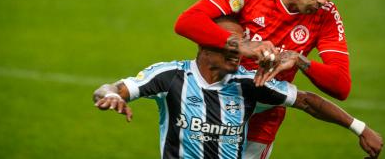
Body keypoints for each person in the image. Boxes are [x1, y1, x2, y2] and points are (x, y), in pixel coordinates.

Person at [93, 17, 382, 159]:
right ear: (204, 46)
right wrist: (108, 95)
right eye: (231, 45)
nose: (239, 51)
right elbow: (113, 87)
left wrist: (360, 128)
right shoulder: (170, 77)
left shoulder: (248, 85)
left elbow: (306, 101)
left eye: (242, 43)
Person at [174, 0, 354, 157]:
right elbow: (187, 22)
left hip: (261, 125)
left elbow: (341, 85)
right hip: (214, 109)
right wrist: (243, 46)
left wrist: (299, 60)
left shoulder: (326, 16)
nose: (324, 0)